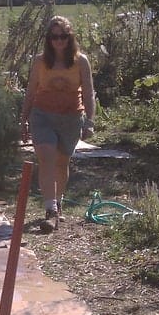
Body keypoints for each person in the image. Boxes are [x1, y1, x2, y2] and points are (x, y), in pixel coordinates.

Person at [19, 16, 96, 233]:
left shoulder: (81, 61)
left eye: (63, 36)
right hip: (42, 115)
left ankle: (58, 202)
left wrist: (89, 121)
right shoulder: (40, 61)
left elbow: (89, 93)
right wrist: (24, 119)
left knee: (62, 163)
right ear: (49, 39)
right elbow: (31, 91)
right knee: (46, 156)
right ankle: (50, 209)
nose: (59, 41)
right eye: (54, 37)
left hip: (71, 117)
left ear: (70, 37)